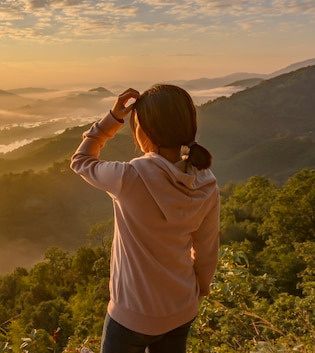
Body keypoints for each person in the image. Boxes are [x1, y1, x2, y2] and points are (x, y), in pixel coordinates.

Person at [70, 84, 220, 353]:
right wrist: (199, 292)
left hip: (131, 316)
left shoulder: (128, 177)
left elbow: (81, 160)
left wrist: (112, 119)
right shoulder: (207, 183)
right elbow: (207, 250)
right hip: (181, 309)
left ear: (143, 132)